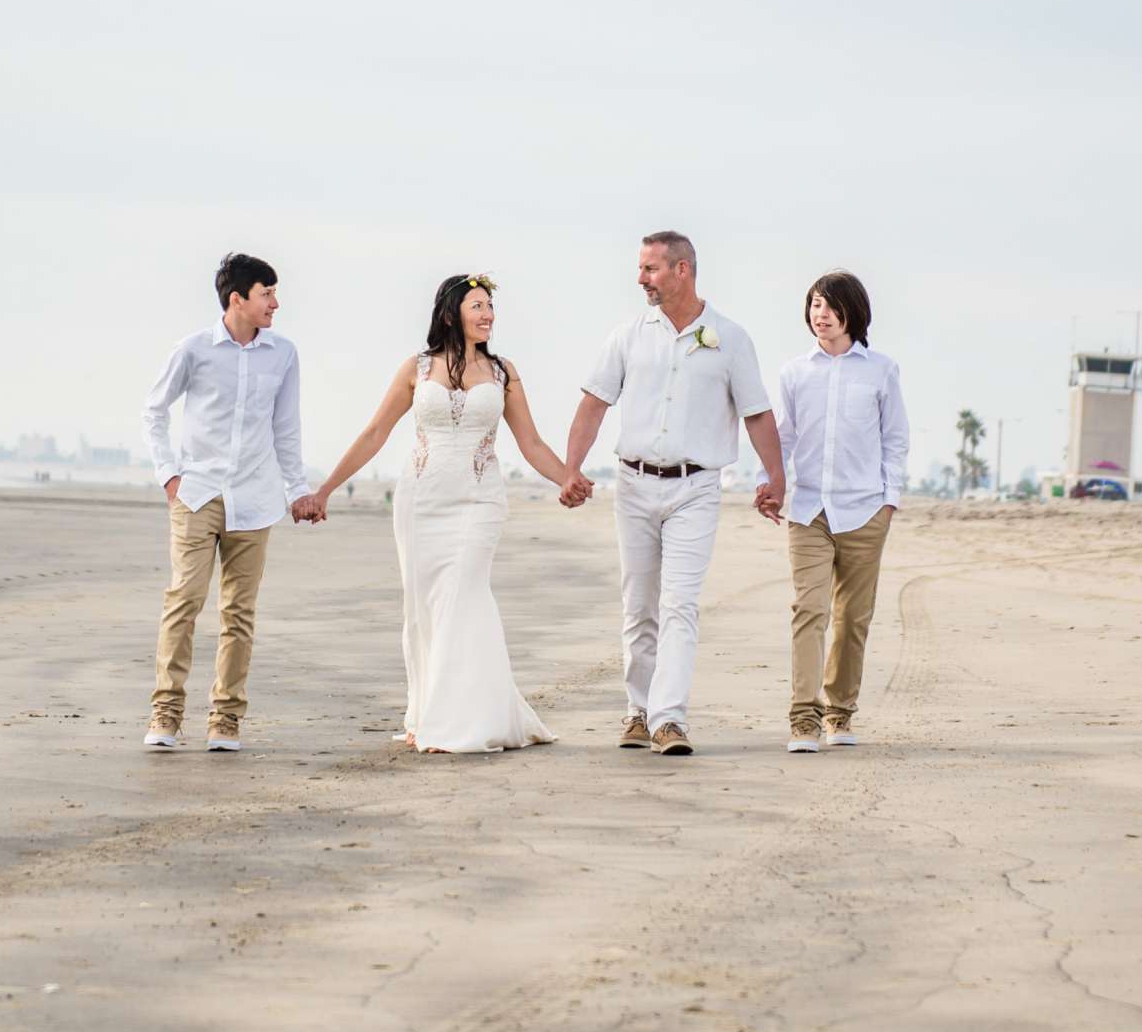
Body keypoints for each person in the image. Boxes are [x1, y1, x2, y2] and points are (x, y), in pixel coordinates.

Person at [304, 274, 581, 754]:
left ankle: (458, 722)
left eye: (490, 307)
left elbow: (530, 442)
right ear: (452, 312)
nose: (487, 314)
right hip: (422, 500)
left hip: (480, 501)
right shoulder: (417, 367)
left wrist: (567, 479)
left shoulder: (503, 373)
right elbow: (375, 432)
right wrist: (326, 489)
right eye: (477, 306)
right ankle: (427, 713)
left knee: (463, 595)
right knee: (423, 607)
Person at [562, 231, 786, 758]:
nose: (641, 279)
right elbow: (594, 405)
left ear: (682, 270)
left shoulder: (730, 338)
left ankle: (669, 719)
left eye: (651, 269)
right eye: (641, 269)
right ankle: (639, 710)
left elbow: (757, 412)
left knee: (680, 604)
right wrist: (570, 469)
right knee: (639, 605)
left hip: (697, 488)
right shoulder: (627, 336)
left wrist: (774, 477)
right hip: (634, 486)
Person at [140, 252, 320, 754]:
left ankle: (225, 719)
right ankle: (166, 713)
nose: (276, 304)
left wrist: (296, 489)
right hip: (198, 494)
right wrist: (168, 475)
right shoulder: (194, 349)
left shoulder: (283, 353)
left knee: (239, 613)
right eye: (267, 294)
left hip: (256, 499)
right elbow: (154, 409)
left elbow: (286, 428)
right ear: (237, 298)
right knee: (185, 601)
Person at [762, 271, 908, 753]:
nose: (818, 314)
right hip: (808, 509)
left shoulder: (881, 371)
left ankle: (839, 713)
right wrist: (770, 481)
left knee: (853, 617)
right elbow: (782, 436)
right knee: (810, 610)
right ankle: (803, 719)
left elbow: (895, 440)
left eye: (828, 305)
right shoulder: (794, 372)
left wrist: (890, 500)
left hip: (865, 510)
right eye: (813, 305)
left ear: (852, 311)